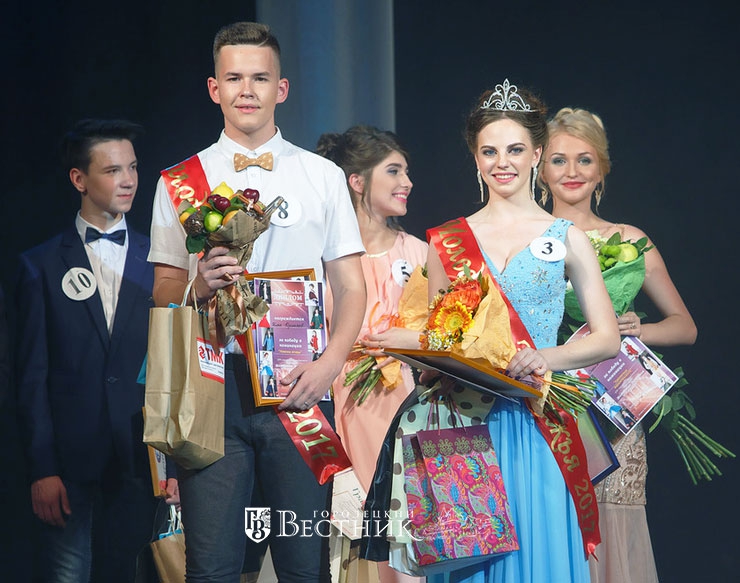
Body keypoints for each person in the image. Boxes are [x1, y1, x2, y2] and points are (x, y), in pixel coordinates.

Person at [148, 22, 366, 583]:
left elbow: (351, 286)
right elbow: (164, 290)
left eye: (260, 78)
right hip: (211, 388)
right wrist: (198, 285)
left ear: (282, 88)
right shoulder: (179, 181)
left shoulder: (322, 176)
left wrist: (330, 366)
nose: (247, 90)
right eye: (234, 78)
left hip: (298, 386)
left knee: (305, 568)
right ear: (214, 88)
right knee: (212, 569)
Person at [423, 81, 620, 582]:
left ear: (536, 154)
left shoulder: (567, 237)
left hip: (537, 421)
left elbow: (606, 338)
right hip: (466, 424)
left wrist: (544, 358)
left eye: (514, 150)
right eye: (489, 151)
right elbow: (437, 341)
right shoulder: (447, 241)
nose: (502, 162)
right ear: (475, 158)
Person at [539, 106, 697, 583]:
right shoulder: (525, 238)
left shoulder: (627, 239)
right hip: (545, 404)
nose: (572, 171)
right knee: (550, 520)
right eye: (559, 160)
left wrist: (635, 329)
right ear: (540, 169)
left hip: (614, 411)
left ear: (601, 169)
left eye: (584, 160)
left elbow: (685, 327)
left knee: (613, 532)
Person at [14, 119, 166, 582]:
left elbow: (173, 364)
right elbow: (31, 375)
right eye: (112, 170)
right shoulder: (39, 265)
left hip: (141, 457)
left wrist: (175, 465)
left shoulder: (163, 262)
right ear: (79, 179)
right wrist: (42, 469)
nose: (128, 180)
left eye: (133, 167)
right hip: (69, 463)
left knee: (133, 573)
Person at [316, 125, 428, 583]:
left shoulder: (421, 253)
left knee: (402, 535)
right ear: (357, 181)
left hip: (405, 407)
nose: (408, 182)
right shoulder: (324, 257)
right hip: (337, 404)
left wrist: (407, 342)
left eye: (407, 172)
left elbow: (448, 336)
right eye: (394, 171)